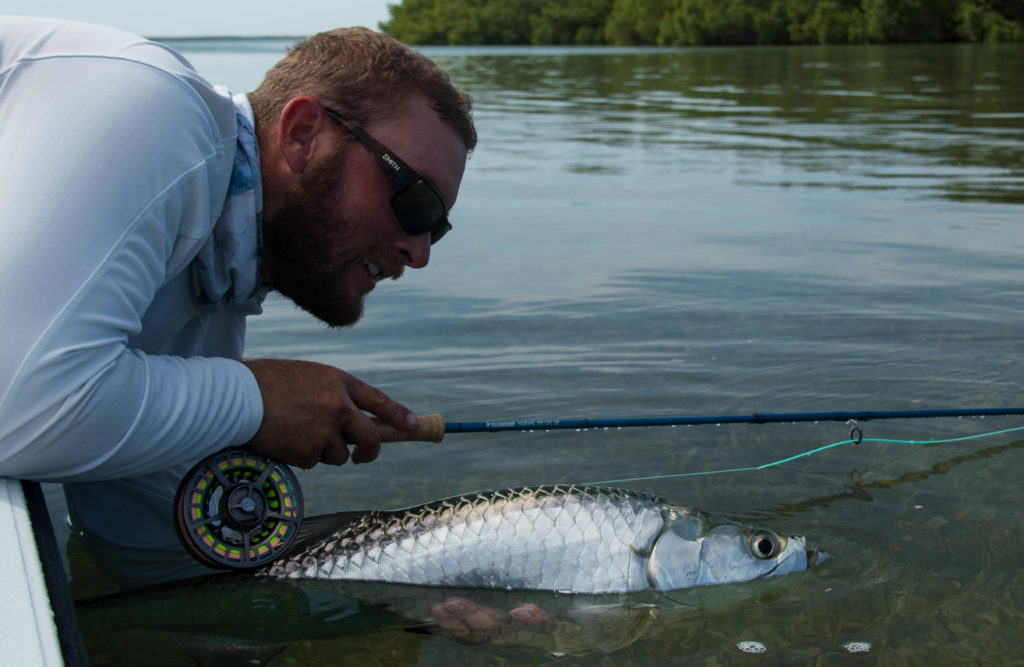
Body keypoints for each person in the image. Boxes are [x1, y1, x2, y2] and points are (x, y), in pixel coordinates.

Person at [0, 16, 476, 585]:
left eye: (436, 229)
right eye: (415, 201)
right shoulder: (152, 110)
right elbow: (16, 409)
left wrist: (408, 603)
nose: (419, 253)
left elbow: (148, 541)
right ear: (303, 134)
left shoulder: (207, 302)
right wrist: (257, 400)